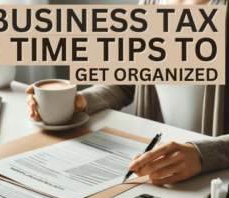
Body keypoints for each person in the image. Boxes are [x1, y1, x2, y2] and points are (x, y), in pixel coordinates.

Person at [26, 0, 229, 185]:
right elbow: (124, 82)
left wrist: (206, 153)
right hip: (157, 168)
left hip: (213, 180)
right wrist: (81, 102)